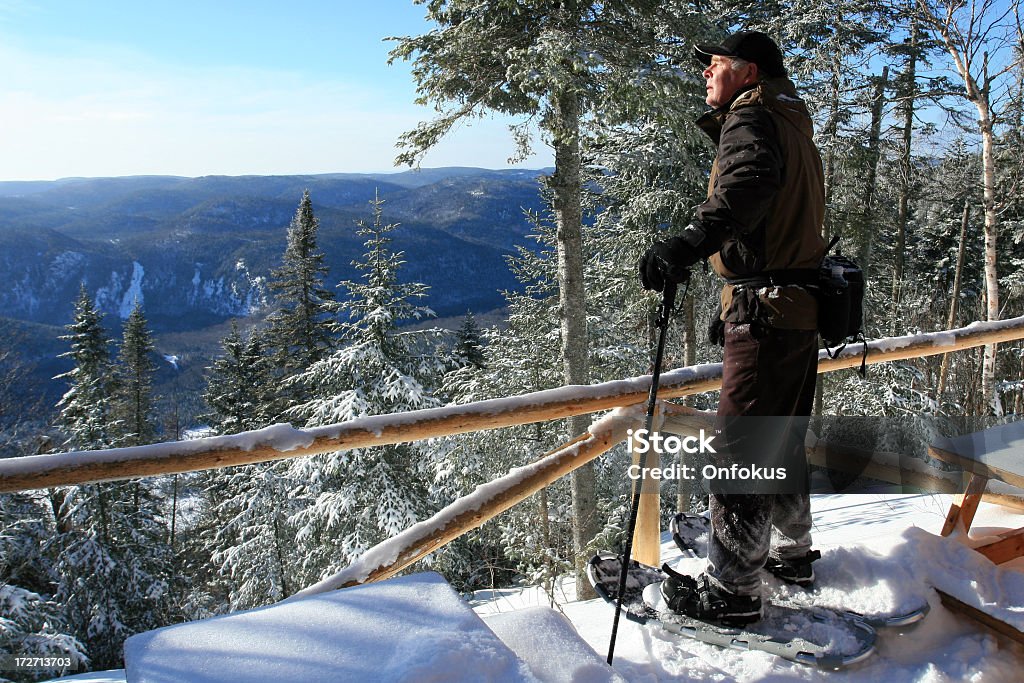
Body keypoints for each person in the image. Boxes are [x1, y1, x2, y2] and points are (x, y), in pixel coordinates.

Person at [638, 30, 826, 625]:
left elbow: (745, 190)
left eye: (714, 65)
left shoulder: (753, 118)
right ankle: (792, 555)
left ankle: (732, 593)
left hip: (766, 308)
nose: (705, 75)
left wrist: (685, 246)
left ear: (745, 72)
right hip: (799, 307)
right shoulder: (790, 117)